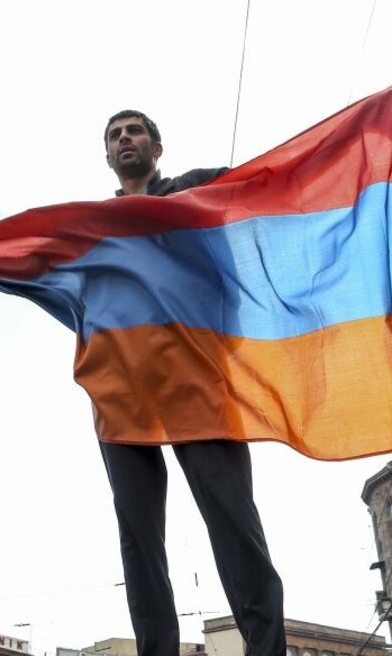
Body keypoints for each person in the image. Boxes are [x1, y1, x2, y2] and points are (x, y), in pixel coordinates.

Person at [98, 109, 286, 656]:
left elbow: (266, 180)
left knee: (234, 522)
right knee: (138, 539)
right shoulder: (94, 223)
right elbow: (24, 251)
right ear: (107, 156)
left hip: (197, 379)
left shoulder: (195, 189)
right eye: (115, 135)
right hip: (122, 388)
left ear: (156, 148)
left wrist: (340, 146)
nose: (125, 138)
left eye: (134, 130)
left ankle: (267, 649)